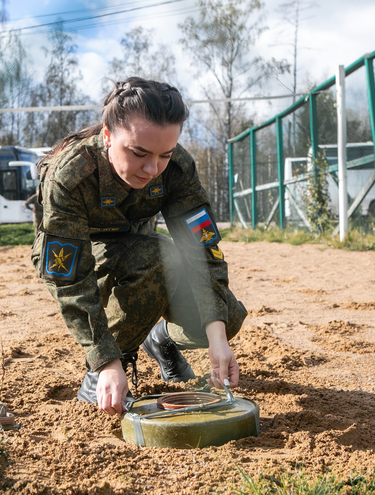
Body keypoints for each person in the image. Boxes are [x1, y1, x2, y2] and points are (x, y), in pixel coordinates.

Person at [31, 77, 247, 416]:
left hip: (138, 245)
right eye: (139, 153)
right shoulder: (70, 175)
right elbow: (69, 278)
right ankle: (97, 379)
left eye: (165, 154)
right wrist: (105, 360)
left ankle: (160, 338)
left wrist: (217, 335)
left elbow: (202, 248)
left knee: (226, 316)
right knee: (160, 258)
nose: (152, 169)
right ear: (107, 136)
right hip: (82, 254)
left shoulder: (176, 169)